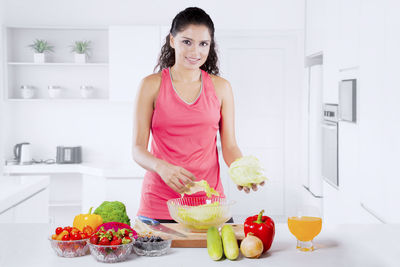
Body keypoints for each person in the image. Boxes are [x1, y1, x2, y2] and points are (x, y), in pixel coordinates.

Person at [132, 7, 264, 222]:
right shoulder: (151, 85)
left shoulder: (222, 88)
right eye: (187, 42)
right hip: (159, 205)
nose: (195, 52)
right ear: (172, 41)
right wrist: (161, 167)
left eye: (203, 44)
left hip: (209, 205)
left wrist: (242, 170)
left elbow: (229, 146)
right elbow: (137, 149)